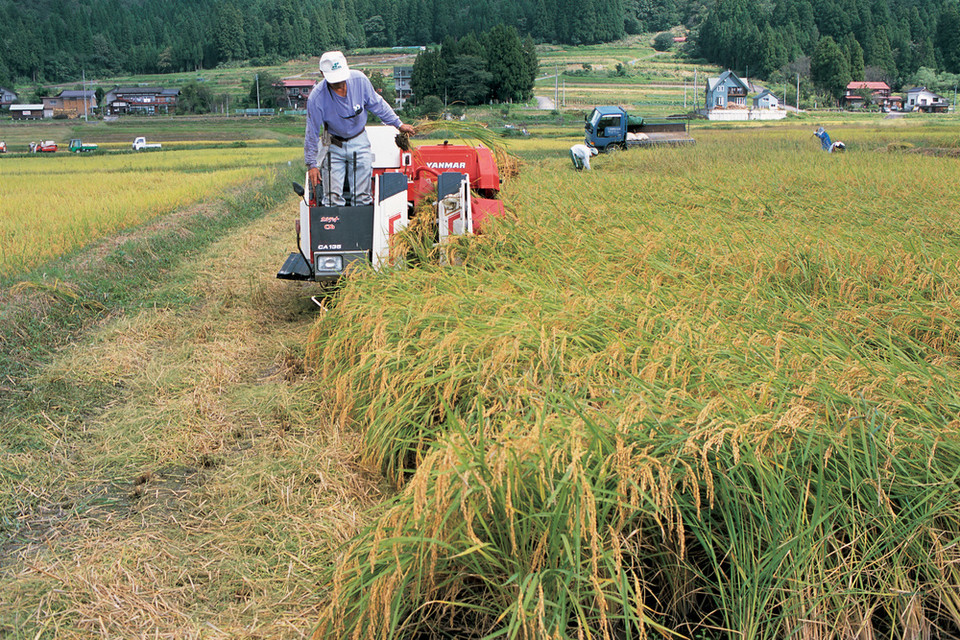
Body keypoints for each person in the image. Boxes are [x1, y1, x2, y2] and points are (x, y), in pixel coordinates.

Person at [304, 51, 415, 206]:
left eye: (342, 78)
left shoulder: (360, 81)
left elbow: (378, 105)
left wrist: (398, 124)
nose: (340, 84)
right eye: (335, 80)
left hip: (359, 138)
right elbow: (312, 132)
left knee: (362, 196)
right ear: (323, 74)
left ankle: (363, 227)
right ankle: (334, 226)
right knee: (332, 197)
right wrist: (312, 165)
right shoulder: (316, 98)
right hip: (332, 141)